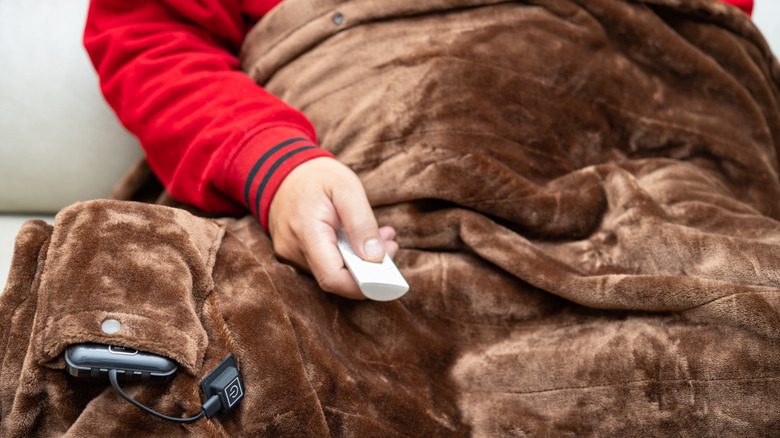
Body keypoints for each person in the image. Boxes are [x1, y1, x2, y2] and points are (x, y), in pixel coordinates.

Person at [83, 0, 752, 299]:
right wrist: (275, 169)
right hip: (356, 196)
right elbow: (148, 37)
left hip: (642, 181)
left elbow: (702, 45)